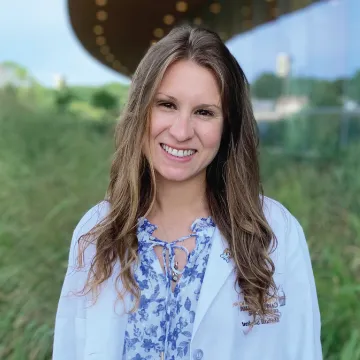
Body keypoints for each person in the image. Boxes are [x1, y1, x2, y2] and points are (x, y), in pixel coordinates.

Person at [53, 25, 322, 360]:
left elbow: (302, 350)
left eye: (204, 112)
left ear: (228, 126)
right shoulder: (96, 232)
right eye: (166, 105)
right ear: (141, 112)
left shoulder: (276, 233)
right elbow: (70, 349)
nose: (181, 131)